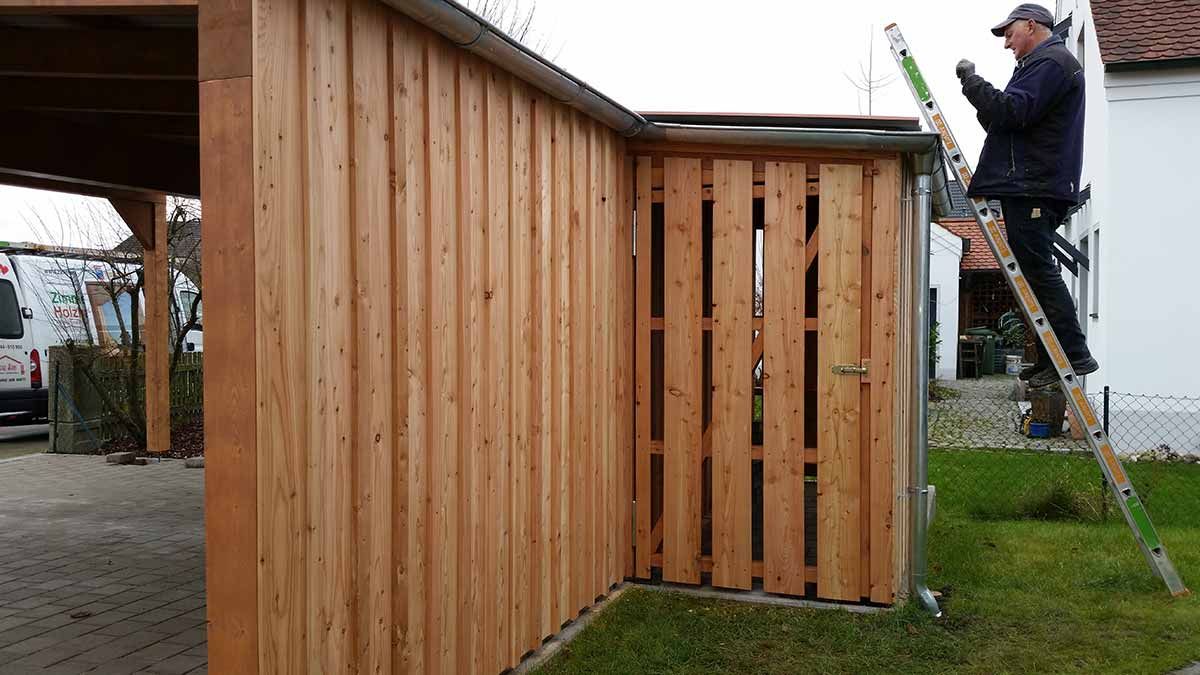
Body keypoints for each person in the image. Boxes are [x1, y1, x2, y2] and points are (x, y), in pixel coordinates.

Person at [955, 3, 1097, 389]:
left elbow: (1013, 111)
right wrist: (985, 100)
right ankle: (1055, 355)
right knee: (1032, 272)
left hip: (1036, 184)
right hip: (1032, 182)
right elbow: (1006, 119)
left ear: (1031, 26)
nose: (1006, 44)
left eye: (1009, 34)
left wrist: (972, 82)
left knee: (1038, 270)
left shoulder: (1051, 63)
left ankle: (1074, 354)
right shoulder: (1043, 64)